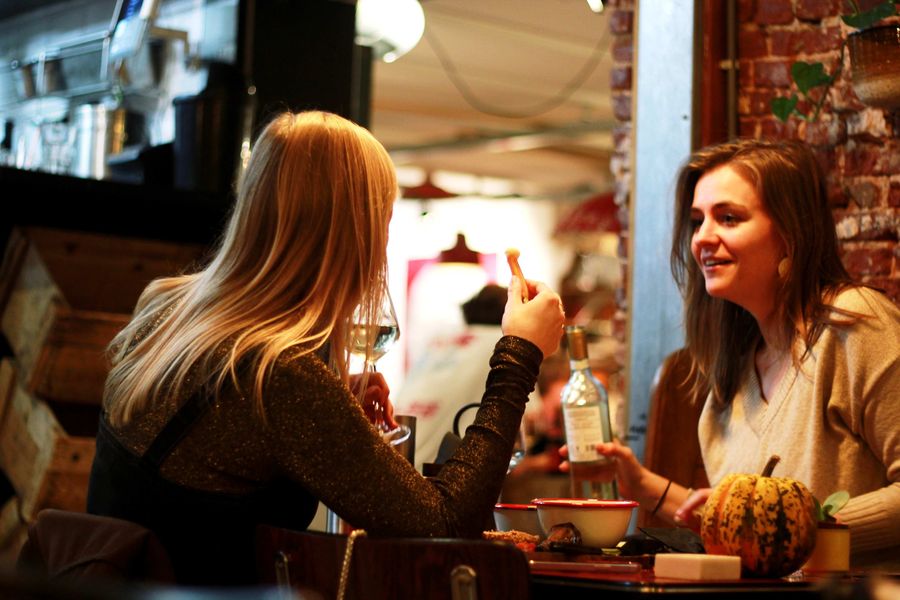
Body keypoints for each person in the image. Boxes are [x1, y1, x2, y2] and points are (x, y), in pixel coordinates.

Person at [86, 110, 565, 586]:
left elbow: (221, 433)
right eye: (383, 220)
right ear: (353, 234)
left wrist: (331, 401)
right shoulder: (281, 374)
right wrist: (519, 355)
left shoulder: (165, 308)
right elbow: (443, 527)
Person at [572, 138, 900, 569]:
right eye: (697, 220)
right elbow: (746, 531)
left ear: (789, 233)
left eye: (728, 218)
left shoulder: (854, 326)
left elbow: (773, 534)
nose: (702, 238)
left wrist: (802, 529)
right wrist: (643, 486)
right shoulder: (726, 393)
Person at [393, 283, 540, 472]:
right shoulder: (504, 343)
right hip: (448, 477)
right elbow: (534, 418)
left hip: (400, 467)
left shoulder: (438, 341)